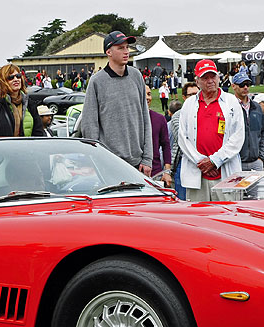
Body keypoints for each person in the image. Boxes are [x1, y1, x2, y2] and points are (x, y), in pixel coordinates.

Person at [79, 31, 153, 174]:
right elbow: (89, 125)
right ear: (109, 52)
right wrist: (96, 159)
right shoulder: (97, 81)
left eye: (127, 47)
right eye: (120, 48)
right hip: (108, 163)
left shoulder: (136, 76)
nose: (126, 52)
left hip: (138, 164)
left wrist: (147, 159)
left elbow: (145, 119)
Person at [177, 59, 245, 201]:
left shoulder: (231, 101)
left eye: (213, 76)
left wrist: (215, 160)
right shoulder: (189, 104)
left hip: (225, 174)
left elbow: (238, 137)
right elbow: (182, 138)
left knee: (227, 213)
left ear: (218, 77)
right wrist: (202, 162)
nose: (210, 81)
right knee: (198, 213)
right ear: (197, 81)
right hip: (197, 174)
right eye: (205, 78)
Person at [230, 71, 264, 198]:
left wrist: (261, 156)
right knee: (236, 197)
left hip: (255, 162)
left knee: (256, 198)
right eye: (242, 85)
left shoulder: (256, 107)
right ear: (233, 86)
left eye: (248, 84)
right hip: (236, 161)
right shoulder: (229, 107)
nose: (245, 87)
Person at [0, 64, 46, 138]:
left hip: (28, 145)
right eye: (11, 77)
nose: (16, 79)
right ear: (3, 81)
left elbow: (39, 132)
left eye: (18, 76)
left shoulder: (29, 103)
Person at [169, 82, 200, 201]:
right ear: (184, 97)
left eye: (197, 94)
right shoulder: (177, 116)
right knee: (183, 200)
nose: (194, 97)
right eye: (191, 95)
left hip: (206, 162)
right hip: (184, 162)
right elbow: (183, 140)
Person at [144, 85, 172, 186]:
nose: (147, 97)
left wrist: (167, 172)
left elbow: (166, 146)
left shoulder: (159, 119)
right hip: (133, 172)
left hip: (155, 173)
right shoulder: (129, 119)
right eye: (144, 94)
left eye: (149, 94)